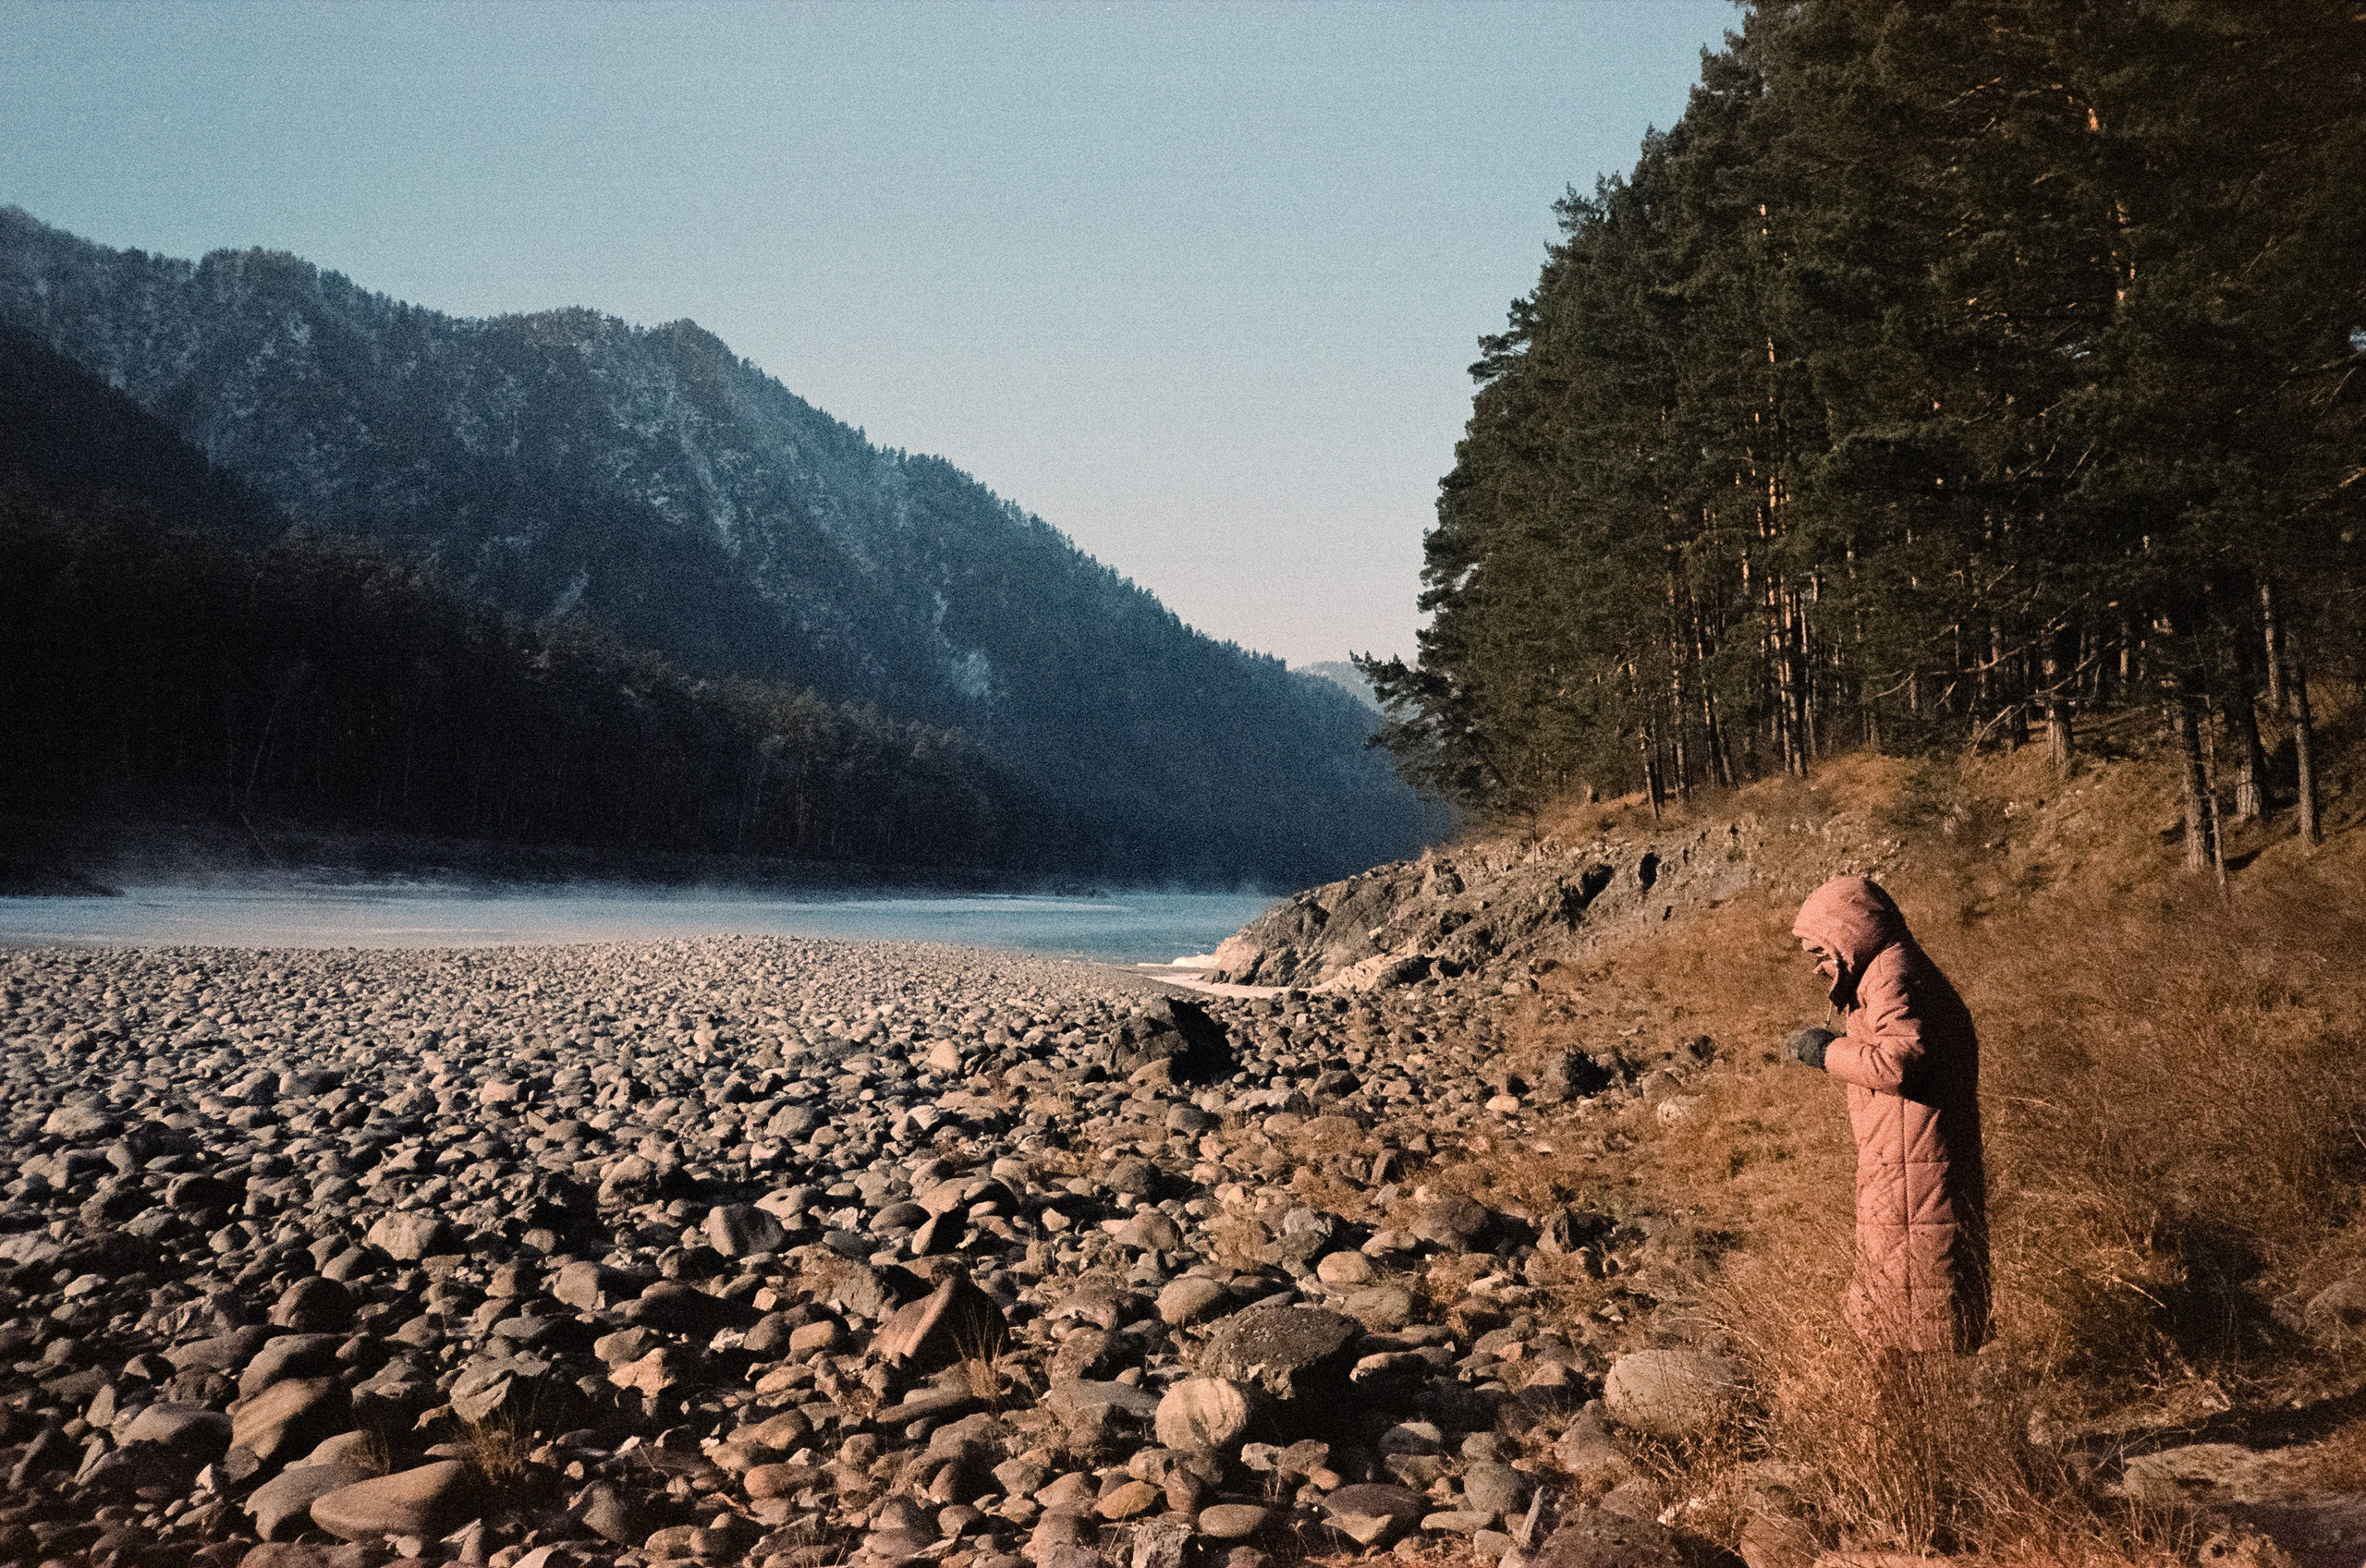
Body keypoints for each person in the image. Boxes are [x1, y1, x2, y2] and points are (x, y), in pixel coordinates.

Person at [1785, 875, 1989, 1355]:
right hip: (1906, 1160)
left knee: (1917, 1316)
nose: (1817, 968)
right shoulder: (1885, 971)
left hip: (1916, 1169)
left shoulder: (1893, 975)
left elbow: (1900, 1062)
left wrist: (1827, 1051)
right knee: (1903, 1303)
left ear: (1848, 934)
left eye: (1820, 952)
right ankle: (1922, 1418)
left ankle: (1929, 1424)